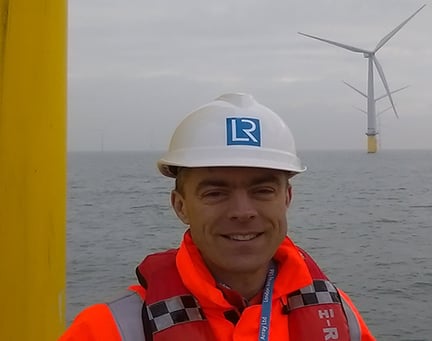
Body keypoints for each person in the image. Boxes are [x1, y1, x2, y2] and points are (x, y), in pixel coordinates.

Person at [60, 93, 375, 340]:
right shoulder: (111, 329)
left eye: (262, 190)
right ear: (180, 206)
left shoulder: (339, 314)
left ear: (287, 198)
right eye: (215, 193)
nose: (242, 212)